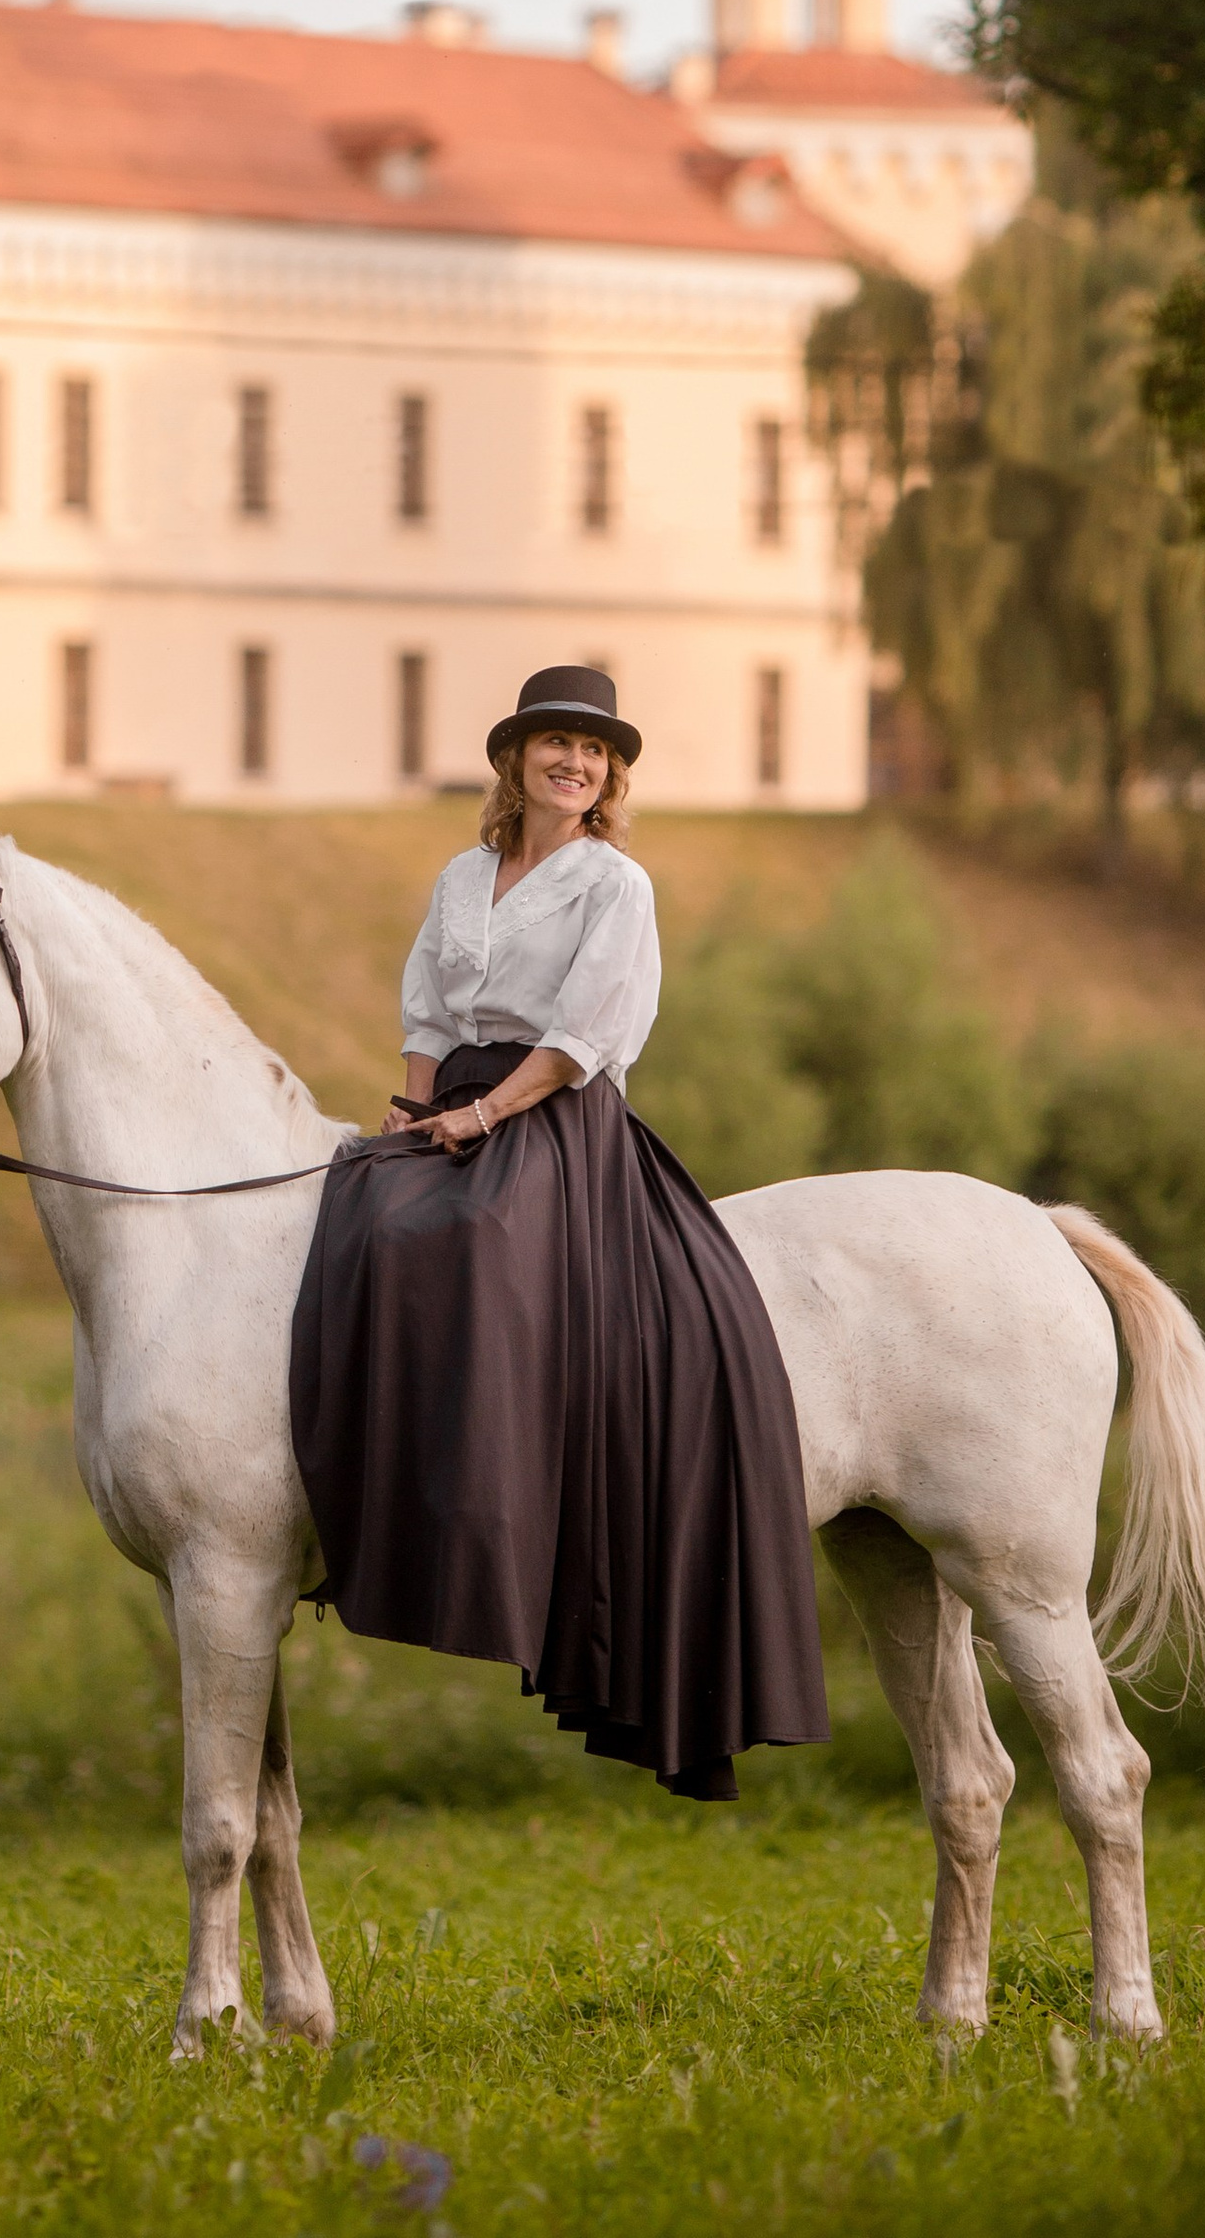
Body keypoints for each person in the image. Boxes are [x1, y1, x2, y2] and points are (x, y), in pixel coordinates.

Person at [288, 664, 829, 1800]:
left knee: (476, 1248)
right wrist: (411, 1106)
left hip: (553, 1115)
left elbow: (586, 1034)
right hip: (457, 1097)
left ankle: (492, 1516)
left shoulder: (612, 886)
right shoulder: (462, 874)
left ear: (607, 778)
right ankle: (377, 1503)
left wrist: (482, 1115)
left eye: (593, 754)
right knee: (358, 1214)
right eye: (554, 746)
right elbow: (429, 1010)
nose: (573, 764)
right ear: (515, 761)